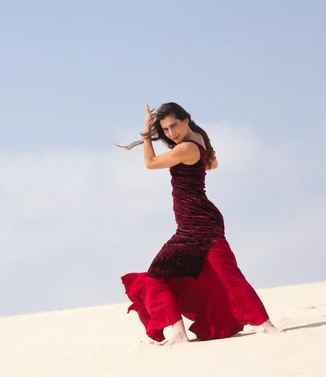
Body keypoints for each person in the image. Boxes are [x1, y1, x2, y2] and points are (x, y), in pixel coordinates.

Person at [116, 102, 281, 345]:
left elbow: (150, 163)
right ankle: (265, 325)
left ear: (186, 120)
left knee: (156, 277)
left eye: (174, 126)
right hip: (198, 221)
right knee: (225, 275)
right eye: (165, 130)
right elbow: (212, 164)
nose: (171, 133)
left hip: (196, 225)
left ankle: (182, 333)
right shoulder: (199, 138)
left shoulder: (185, 148)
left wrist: (145, 130)